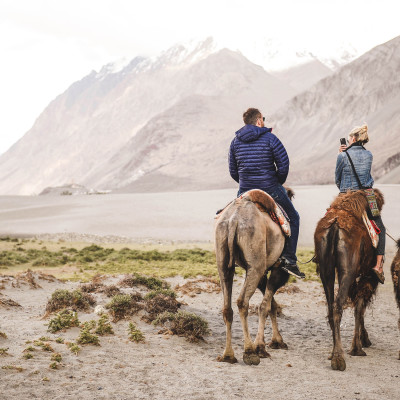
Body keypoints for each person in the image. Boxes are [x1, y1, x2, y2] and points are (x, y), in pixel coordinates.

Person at [228, 107, 305, 279]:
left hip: (245, 189)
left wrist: (246, 183)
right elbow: (284, 165)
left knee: (227, 218)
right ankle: (290, 260)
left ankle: (231, 254)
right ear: (259, 121)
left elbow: (233, 171)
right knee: (293, 217)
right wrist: (276, 181)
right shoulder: (270, 138)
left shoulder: (235, 142)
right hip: (270, 187)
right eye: (263, 118)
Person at [336, 124, 386, 283]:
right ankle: (378, 265)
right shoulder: (369, 155)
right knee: (380, 227)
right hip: (368, 195)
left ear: (353, 139)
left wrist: (341, 155)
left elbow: (338, 180)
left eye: (350, 137)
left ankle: (321, 255)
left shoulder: (342, 155)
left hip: (347, 195)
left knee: (329, 220)